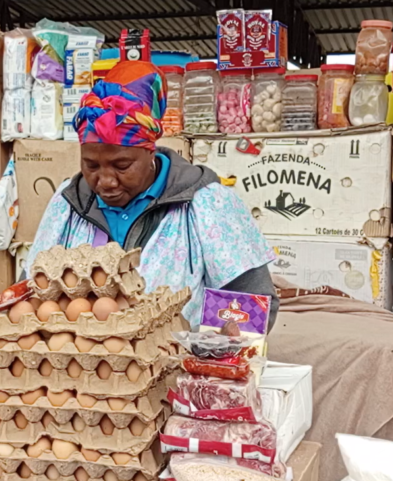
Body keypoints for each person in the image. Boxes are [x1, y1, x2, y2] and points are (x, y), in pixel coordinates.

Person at [27, 60, 277, 327]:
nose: (106, 181)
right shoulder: (68, 204)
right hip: (78, 363)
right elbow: (33, 289)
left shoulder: (206, 203)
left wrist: (197, 347)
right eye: (91, 165)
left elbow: (253, 304)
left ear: (150, 152)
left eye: (122, 166)